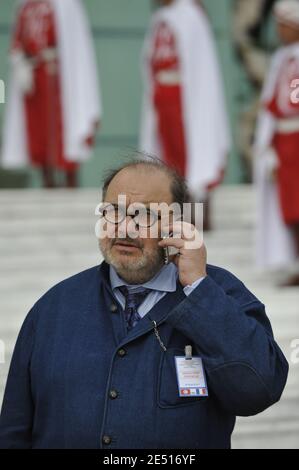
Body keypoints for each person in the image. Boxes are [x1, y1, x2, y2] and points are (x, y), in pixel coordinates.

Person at [0, 158, 288, 449]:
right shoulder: (52, 309)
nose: (125, 228)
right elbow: (13, 431)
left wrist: (198, 290)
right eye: (114, 213)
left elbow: (258, 390)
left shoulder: (219, 292)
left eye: (144, 216)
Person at [140, 0, 231, 230]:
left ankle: (198, 214)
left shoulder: (191, 15)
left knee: (189, 156)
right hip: (163, 100)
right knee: (168, 159)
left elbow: (199, 65)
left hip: (185, 99)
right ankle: (176, 213)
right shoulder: (161, 18)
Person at [1, 0, 102, 188]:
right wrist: (19, 61)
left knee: (64, 127)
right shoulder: (25, 6)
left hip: (60, 79)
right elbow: (18, 40)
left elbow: (75, 46)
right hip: (34, 78)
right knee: (38, 130)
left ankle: (70, 179)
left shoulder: (67, 4)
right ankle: (47, 179)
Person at [254, 0, 299, 285]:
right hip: (284, 142)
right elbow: (272, 104)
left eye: (284, 24)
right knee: (289, 207)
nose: (279, 30)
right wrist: (266, 145)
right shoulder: (281, 59)